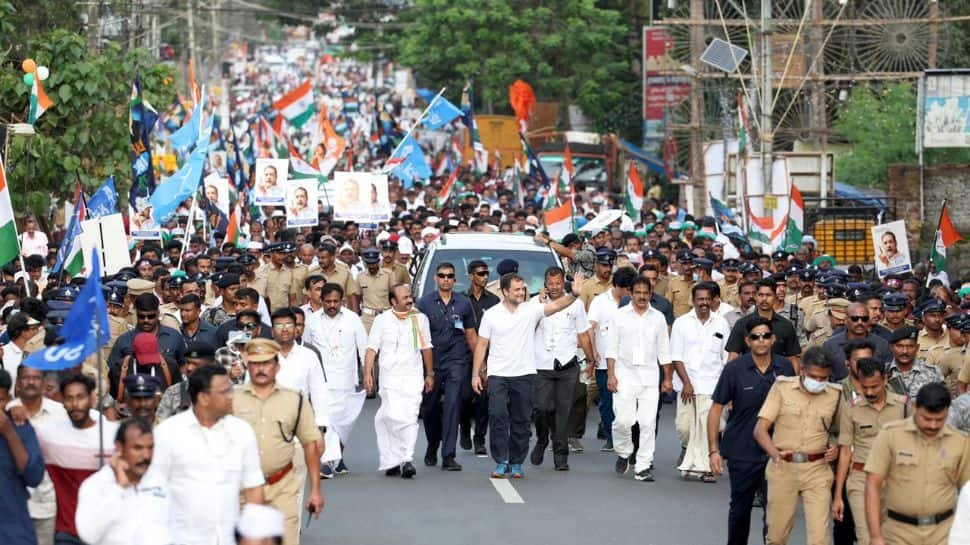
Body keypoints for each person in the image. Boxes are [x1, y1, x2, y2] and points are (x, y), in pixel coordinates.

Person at [471, 271, 586, 479]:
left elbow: (556, 306)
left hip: (524, 374)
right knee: (497, 416)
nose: (521, 292)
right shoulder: (492, 314)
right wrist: (476, 374)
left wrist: (575, 295)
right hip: (498, 374)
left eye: (523, 288)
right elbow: (481, 344)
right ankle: (501, 460)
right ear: (505, 291)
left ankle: (516, 462)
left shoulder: (531, 310)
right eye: (516, 289)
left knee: (521, 420)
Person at [145, 365, 265, 545]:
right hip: (181, 539)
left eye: (231, 390)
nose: (231, 396)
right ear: (203, 398)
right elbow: (152, 491)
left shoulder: (242, 432)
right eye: (224, 392)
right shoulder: (168, 433)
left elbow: (254, 487)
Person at [708, 316, 797, 545]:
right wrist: (713, 451)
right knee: (740, 509)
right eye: (755, 337)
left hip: (776, 451)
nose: (761, 341)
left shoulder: (785, 367)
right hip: (742, 450)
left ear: (773, 339)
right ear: (747, 341)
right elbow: (716, 410)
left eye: (766, 336)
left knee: (774, 512)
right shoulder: (734, 369)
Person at [233, 339, 323, 545]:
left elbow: (310, 444)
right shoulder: (233, 399)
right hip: (242, 488)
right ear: (248, 365)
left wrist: (316, 491)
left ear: (277, 366)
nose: (260, 369)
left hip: (282, 487)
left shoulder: (295, 400)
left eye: (266, 363)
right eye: (255, 363)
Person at [754, 347, 841, 545]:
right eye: (814, 376)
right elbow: (760, 430)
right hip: (783, 468)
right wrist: (774, 454)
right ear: (802, 370)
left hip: (817, 470)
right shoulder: (782, 388)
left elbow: (842, 432)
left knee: (820, 538)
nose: (818, 382)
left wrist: (835, 446)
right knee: (777, 535)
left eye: (823, 378)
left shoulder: (836, 395)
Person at [865, 383, 970, 545]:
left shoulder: (960, 442)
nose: (933, 425)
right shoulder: (890, 435)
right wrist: (875, 536)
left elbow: (967, 491)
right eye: (927, 419)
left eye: (939, 420)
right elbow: (873, 484)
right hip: (898, 533)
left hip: (943, 534)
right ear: (915, 408)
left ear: (947, 412)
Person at [33, 374, 119, 545]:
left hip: (105, 532)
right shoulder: (48, 434)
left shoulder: (112, 435)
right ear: (62, 402)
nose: (75, 404)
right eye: (69, 398)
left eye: (80, 397)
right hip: (67, 532)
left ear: (92, 399)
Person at [831, 358, 909, 545]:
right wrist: (838, 495)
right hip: (860, 480)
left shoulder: (904, 406)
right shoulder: (852, 407)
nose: (869, 392)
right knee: (867, 538)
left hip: (895, 481)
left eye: (874, 386)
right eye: (865, 387)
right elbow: (845, 452)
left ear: (885, 379)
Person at [363, 284, 434, 478]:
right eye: (404, 298)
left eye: (410, 296)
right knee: (391, 417)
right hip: (390, 379)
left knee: (409, 418)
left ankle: (406, 459)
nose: (409, 300)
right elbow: (371, 349)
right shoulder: (382, 321)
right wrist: (368, 374)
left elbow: (426, 348)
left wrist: (430, 374)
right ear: (393, 302)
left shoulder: (419, 319)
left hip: (412, 377)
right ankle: (392, 460)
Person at [606, 276, 671, 482]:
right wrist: (611, 375)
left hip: (650, 377)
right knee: (623, 421)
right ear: (631, 294)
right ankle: (624, 452)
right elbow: (612, 348)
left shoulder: (658, 317)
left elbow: (664, 351)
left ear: (651, 294)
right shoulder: (619, 316)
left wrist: (667, 378)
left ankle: (643, 466)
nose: (642, 296)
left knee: (648, 423)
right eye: (638, 293)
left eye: (646, 293)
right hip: (624, 375)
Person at [530, 266, 594, 471]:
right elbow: (526, 330)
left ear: (563, 283)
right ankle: (542, 439)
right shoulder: (535, 303)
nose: (555, 287)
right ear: (545, 283)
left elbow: (583, 333)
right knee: (541, 407)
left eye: (558, 283)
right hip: (542, 365)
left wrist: (591, 359)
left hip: (567, 364)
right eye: (551, 283)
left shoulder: (575, 304)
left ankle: (561, 455)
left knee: (563, 412)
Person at [415, 262, 477, 471]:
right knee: (430, 408)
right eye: (442, 276)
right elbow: (418, 337)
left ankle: (448, 455)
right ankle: (433, 444)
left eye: (450, 276)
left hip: (456, 361)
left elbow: (470, 334)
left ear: (455, 279)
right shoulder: (423, 303)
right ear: (435, 278)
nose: (446, 279)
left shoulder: (463, 303)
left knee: (452, 406)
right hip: (432, 362)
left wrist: (480, 363)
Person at [303, 283, 367, 477]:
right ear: (321, 300)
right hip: (321, 379)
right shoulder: (312, 321)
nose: (332, 305)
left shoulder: (353, 319)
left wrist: (369, 374)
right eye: (328, 301)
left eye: (335, 301)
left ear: (342, 301)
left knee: (344, 420)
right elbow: (307, 349)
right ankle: (326, 462)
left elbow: (364, 348)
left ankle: (337, 458)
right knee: (327, 419)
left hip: (346, 378)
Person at [668, 281, 730, 482]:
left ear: (712, 301)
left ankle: (707, 469)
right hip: (687, 384)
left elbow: (726, 356)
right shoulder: (682, 323)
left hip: (712, 385)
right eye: (700, 299)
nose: (704, 303)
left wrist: (726, 387)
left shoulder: (721, 323)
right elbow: (676, 356)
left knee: (708, 428)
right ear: (693, 301)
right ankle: (686, 449)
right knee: (684, 428)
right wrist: (686, 383)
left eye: (707, 299)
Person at [74, 418, 170, 545]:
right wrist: (119, 489)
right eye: (138, 448)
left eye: (150, 448)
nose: (146, 456)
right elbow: (89, 535)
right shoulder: (96, 485)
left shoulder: (161, 481)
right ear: (119, 447)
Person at [8, 365, 65, 545]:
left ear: (44, 383)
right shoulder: (7, 412)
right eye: (26, 378)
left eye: (36, 378)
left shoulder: (60, 413)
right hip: (13, 506)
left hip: (46, 504)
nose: (31, 382)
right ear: (18, 383)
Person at [587, 267, 637, 452]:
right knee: (607, 401)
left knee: (626, 401)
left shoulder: (633, 304)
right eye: (628, 289)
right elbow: (590, 328)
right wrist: (593, 353)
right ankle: (610, 436)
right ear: (619, 287)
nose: (630, 293)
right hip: (604, 362)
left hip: (628, 362)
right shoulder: (600, 302)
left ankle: (627, 436)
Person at [0, 368, 46, 545]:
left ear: (8, 400)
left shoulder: (20, 427)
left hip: (13, 532)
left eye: (0, 400)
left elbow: (34, 477)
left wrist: (9, 433)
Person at [462, 259, 499, 456]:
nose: (484, 277)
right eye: (480, 273)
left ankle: (480, 439)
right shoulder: (461, 299)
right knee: (464, 397)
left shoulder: (493, 301)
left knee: (483, 399)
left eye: (486, 273)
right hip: (464, 356)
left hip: (487, 357)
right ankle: (465, 428)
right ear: (470, 276)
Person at [726, 279, 802, 373]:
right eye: (760, 295)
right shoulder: (742, 324)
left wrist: (794, 384)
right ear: (756, 297)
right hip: (748, 378)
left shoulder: (785, 325)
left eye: (768, 295)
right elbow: (733, 356)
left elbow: (792, 358)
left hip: (778, 380)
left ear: (775, 297)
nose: (764, 299)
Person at [822, 302, 894, 380]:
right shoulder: (830, 345)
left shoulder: (882, 345)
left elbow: (888, 374)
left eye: (864, 319)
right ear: (846, 320)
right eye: (855, 319)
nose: (860, 322)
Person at [887, 325, 945, 399]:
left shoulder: (933, 372)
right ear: (891, 347)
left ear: (917, 348)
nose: (905, 351)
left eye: (910, 346)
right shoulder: (883, 373)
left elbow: (943, 402)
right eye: (900, 346)